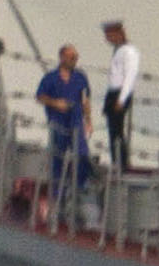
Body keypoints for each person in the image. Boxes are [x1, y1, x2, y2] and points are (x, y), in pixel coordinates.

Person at [35, 42, 92, 219]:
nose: (74, 60)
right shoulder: (50, 78)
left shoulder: (80, 77)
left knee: (82, 157)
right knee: (57, 162)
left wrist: (88, 120)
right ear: (62, 58)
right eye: (71, 57)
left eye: (76, 57)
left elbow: (85, 99)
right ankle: (57, 200)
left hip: (75, 123)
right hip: (58, 124)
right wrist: (56, 103)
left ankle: (77, 193)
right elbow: (40, 96)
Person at [99, 19, 139, 170]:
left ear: (119, 33)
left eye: (110, 35)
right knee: (113, 129)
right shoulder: (119, 50)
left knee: (116, 130)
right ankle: (118, 161)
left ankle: (121, 162)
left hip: (120, 93)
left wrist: (121, 99)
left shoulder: (128, 51)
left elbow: (129, 76)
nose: (107, 39)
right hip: (114, 93)